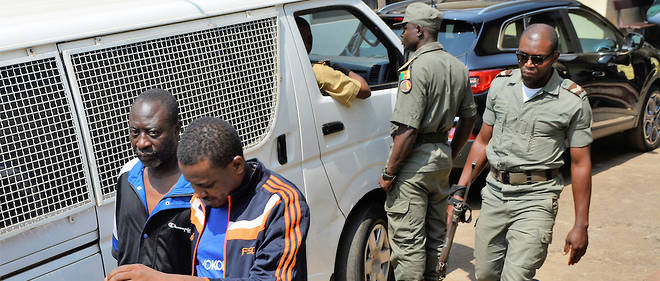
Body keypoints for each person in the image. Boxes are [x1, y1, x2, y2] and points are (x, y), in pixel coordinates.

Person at [454, 24, 593, 281]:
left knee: (515, 276)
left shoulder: (572, 100)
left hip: (536, 199)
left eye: (537, 59)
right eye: (522, 57)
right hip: (495, 193)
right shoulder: (501, 86)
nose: (528, 64)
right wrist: (460, 190)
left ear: (554, 57)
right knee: (485, 274)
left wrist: (580, 225)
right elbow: (483, 141)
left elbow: (580, 163)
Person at [106, 117, 310, 281]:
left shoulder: (279, 202)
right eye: (192, 184)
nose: (198, 194)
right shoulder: (201, 200)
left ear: (237, 166)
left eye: (206, 185)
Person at [378, 3, 477, 280]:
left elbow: (408, 130)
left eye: (405, 29)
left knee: (408, 246)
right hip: (440, 163)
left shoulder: (415, 69)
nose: (402, 35)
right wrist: (451, 152)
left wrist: (389, 173)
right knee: (435, 238)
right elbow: (469, 118)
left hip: (414, 167)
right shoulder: (457, 67)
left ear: (419, 30)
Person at [112, 88, 193, 274]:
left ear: (177, 130)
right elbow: (120, 249)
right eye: (135, 132)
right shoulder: (127, 176)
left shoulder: (200, 187)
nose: (142, 143)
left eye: (153, 133)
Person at [295, 16, 371, 107]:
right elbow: (365, 91)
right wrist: (344, 70)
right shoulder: (318, 72)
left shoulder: (282, 69)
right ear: (310, 40)